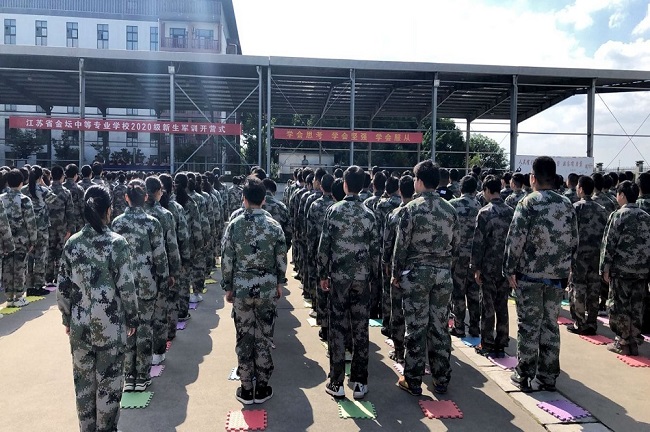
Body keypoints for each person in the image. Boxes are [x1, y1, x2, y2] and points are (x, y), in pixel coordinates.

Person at [57, 185, 138, 432]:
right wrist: (132, 318)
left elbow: (63, 288)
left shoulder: (72, 243)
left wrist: (67, 319)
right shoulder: (117, 243)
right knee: (110, 384)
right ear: (108, 210)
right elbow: (127, 287)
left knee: (84, 385)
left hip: (80, 326)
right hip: (110, 327)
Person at [504, 156, 578, 392]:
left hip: (530, 275)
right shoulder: (566, 204)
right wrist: (568, 268)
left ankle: (524, 374)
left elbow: (516, 239)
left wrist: (509, 268)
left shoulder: (528, 203)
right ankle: (548, 376)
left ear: (533, 177)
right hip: (557, 276)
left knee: (528, 325)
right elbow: (574, 240)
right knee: (550, 325)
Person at [392, 160, 459, 396]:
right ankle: (441, 379)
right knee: (440, 326)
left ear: (419, 182)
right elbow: (456, 245)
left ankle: (413, 379)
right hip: (442, 274)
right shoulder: (450, 210)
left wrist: (396, 274)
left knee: (416, 327)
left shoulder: (411, 209)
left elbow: (401, 246)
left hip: (417, 274)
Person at [222, 176, 287, 405]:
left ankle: (246, 387)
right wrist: (279, 283)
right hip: (267, 289)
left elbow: (227, 258)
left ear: (244, 199)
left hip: (241, 289)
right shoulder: (274, 226)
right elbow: (281, 259)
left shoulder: (234, 225)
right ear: (264, 200)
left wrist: (228, 286)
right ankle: (262, 387)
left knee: (244, 336)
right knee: (264, 337)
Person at [318, 166, 378, 400]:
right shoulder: (369, 214)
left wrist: (323, 274)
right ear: (363, 185)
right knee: (360, 329)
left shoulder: (333, 211)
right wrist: (373, 278)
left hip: (339, 278)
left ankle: (336, 382)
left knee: (338, 328)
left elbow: (324, 246)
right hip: (362, 279)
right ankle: (360, 382)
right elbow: (375, 251)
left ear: (344, 184)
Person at [112, 179, 168, 392]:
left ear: (126, 198)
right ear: (145, 197)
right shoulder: (153, 223)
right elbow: (160, 255)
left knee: (127, 328)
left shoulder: (117, 223)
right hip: (147, 283)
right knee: (145, 327)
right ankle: (142, 376)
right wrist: (163, 278)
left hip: (122, 284)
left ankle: (129, 376)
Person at [600, 180, 650, 355]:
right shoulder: (646, 217)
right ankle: (634, 341)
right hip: (642, 271)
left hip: (621, 270)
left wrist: (605, 268)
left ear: (622, 195)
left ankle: (622, 341)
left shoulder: (618, 215)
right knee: (637, 306)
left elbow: (609, 244)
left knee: (619, 305)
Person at [471, 176, 514, 356]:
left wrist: (476, 267)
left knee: (487, 305)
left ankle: (487, 342)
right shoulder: (511, 211)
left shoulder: (484, 212)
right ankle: (502, 341)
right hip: (505, 266)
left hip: (488, 266)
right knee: (502, 304)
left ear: (487, 190)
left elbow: (478, 243)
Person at [144, 176, 181, 366]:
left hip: (134, 274)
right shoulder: (165, 215)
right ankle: (158, 352)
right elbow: (172, 246)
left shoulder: (126, 218)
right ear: (159, 192)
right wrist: (174, 272)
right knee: (159, 311)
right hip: (159, 270)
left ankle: (140, 353)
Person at [567, 176, 608, 336]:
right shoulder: (602, 209)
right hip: (596, 255)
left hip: (579, 256)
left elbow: (569, 233)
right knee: (594, 289)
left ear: (581, 189)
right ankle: (592, 322)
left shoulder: (576, 208)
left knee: (578, 287)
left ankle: (579, 323)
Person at [382, 175, 415, 363]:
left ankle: (399, 351)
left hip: (399, 270)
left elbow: (388, 244)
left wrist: (387, 264)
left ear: (399, 191)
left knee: (398, 312)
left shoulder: (395, 214)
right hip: (418, 271)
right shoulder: (419, 212)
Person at [448, 175, 481, 339]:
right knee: (474, 293)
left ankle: (459, 327)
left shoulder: (452, 205)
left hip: (457, 256)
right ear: (475, 189)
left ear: (460, 188)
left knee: (458, 292)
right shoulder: (480, 206)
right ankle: (475, 327)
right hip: (474, 257)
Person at [306, 174, 336, 340]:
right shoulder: (337, 206)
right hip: (336, 256)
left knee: (321, 288)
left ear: (321, 186)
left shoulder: (315, 205)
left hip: (319, 252)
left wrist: (311, 253)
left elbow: (310, 232)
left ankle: (324, 326)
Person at [23, 165, 58, 296]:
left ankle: (29, 285)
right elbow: (53, 199)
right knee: (40, 257)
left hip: (27, 228)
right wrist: (45, 185)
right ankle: (38, 285)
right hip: (42, 229)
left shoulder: (23, 190)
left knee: (29, 258)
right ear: (40, 177)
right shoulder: (43, 190)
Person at [1, 169, 32, 307]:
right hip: (21, 239)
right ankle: (19, 297)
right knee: (20, 267)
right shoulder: (25, 200)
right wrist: (33, 239)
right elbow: (30, 222)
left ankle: (9, 297)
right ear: (21, 182)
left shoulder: (1, 198)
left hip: (4, 240)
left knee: (7, 268)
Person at [45, 165, 74, 288]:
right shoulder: (66, 192)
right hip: (62, 227)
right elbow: (70, 212)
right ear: (62, 176)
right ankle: (59, 277)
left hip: (48, 227)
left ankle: (48, 278)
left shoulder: (46, 191)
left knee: (49, 252)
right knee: (60, 253)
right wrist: (70, 229)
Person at [63, 164, 86, 234]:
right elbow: (82, 207)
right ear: (76, 175)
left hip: (63, 220)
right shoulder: (79, 189)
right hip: (77, 220)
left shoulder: (62, 187)